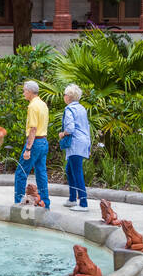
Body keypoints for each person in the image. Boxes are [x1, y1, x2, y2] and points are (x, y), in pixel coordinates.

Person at [14, 80, 51, 209]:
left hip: (34, 143)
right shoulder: (43, 104)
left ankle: (19, 202)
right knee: (41, 173)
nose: (23, 93)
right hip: (43, 142)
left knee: (21, 173)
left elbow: (33, 129)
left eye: (24, 91)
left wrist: (28, 149)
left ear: (29, 92)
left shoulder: (32, 106)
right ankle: (45, 202)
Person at [59, 84, 92, 211]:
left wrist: (62, 134)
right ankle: (72, 198)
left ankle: (83, 203)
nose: (64, 97)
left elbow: (70, 128)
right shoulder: (82, 108)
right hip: (83, 142)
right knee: (69, 169)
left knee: (77, 172)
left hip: (75, 143)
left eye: (64, 94)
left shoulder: (69, 109)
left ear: (69, 97)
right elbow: (86, 127)